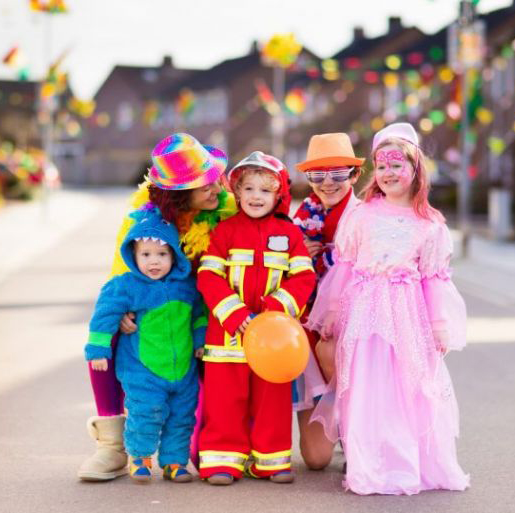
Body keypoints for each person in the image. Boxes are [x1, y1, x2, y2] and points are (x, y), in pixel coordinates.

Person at [307, 123, 470, 495]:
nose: (389, 173)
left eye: (398, 165)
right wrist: (331, 310)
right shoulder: (363, 215)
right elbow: (345, 266)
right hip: (363, 312)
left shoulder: (429, 225)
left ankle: (404, 463)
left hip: (407, 316)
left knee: (405, 388)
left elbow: (434, 279)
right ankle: (369, 463)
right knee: (366, 386)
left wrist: (439, 325)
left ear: (416, 169)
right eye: (382, 166)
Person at [78, 133, 236, 481]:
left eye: (215, 179)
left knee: (197, 451)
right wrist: (122, 315)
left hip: (207, 313)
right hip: (154, 316)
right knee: (104, 340)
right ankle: (112, 447)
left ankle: (228, 437)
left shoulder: (226, 210)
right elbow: (120, 279)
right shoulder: (141, 221)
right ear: (179, 195)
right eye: (205, 184)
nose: (217, 188)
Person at [196, 151, 316, 485]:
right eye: (248, 189)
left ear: (279, 195)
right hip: (228, 337)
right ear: (236, 192)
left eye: (265, 191)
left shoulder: (289, 234)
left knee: (272, 400)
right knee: (224, 401)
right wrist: (233, 313)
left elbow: (304, 278)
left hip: (274, 340)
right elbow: (208, 277)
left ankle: (271, 460)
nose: (255, 197)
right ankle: (223, 462)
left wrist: (276, 310)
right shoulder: (225, 232)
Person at [85, 207, 206, 483]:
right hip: (143, 370)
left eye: (162, 254)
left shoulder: (186, 286)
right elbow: (104, 315)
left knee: (181, 416)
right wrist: (98, 350)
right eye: (146, 255)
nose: (154, 262)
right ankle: (139, 457)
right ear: (133, 255)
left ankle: (174, 462)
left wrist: (199, 341)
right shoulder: (126, 286)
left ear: (174, 255)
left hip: (183, 369)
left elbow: (200, 314)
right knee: (145, 412)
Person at [292, 133, 364, 470]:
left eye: (337, 174)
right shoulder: (299, 219)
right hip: (308, 326)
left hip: (352, 327)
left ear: (353, 175)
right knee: (316, 460)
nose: (327, 183)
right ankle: (330, 428)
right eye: (317, 176)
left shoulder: (366, 218)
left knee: (346, 368)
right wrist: (295, 257)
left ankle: (359, 438)